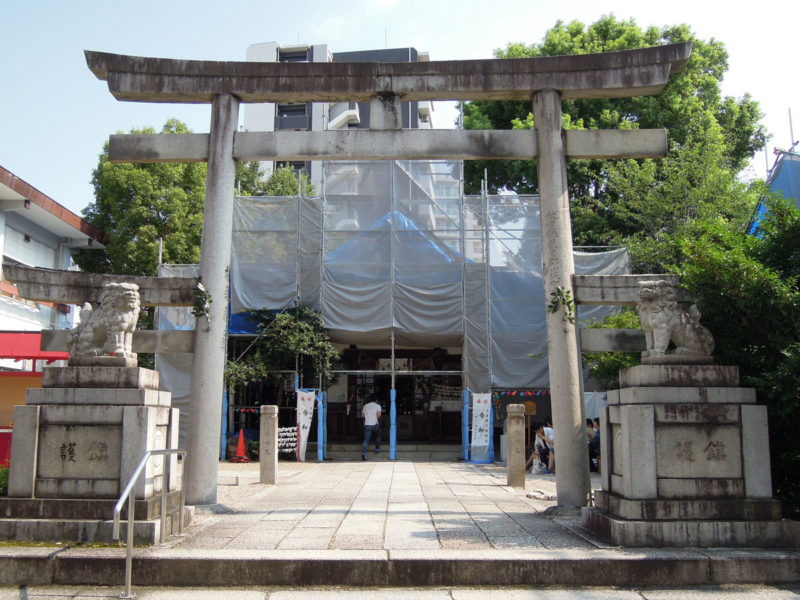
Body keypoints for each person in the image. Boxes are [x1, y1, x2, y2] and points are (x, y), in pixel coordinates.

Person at [361, 395, 382, 460]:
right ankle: (377, 448)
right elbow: (379, 415)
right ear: (376, 400)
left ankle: (364, 453)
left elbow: (363, 416)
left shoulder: (365, 406)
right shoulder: (378, 406)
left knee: (366, 440)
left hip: (367, 424)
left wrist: (368, 417)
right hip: (375, 424)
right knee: (378, 436)